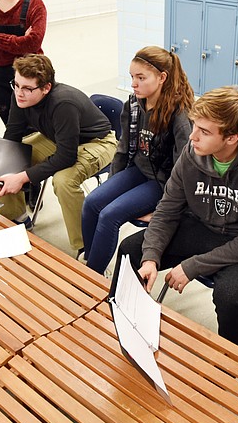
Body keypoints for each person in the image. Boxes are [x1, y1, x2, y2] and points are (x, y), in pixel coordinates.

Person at [114, 86, 238, 348]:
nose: (192, 137)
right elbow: (168, 209)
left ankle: (231, 358)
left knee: (229, 295)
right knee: (132, 250)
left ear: (232, 137)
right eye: (194, 126)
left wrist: (192, 266)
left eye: (204, 132)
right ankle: (124, 323)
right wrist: (151, 257)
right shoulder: (192, 152)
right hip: (204, 225)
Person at [80, 47, 194, 274]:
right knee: (92, 203)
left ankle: (91, 276)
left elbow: (185, 171)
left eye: (141, 78)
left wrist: (165, 209)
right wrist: (114, 184)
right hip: (138, 170)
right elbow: (123, 150)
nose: (134, 83)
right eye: (132, 76)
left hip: (163, 182)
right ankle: (91, 264)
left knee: (109, 215)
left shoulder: (178, 114)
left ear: (162, 78)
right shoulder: (133, 105)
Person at [0, 54, 117, 253]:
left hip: (98, 142)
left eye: (27, 88)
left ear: (46, 88)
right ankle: (15, 218)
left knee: (63, 180)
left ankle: (87, 247)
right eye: (16, 84)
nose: (19, 93)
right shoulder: (19, 94)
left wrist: (22, 178)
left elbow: (66, 156)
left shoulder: (63, 103)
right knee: (14, 153)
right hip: (60, 138)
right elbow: (13, 135)